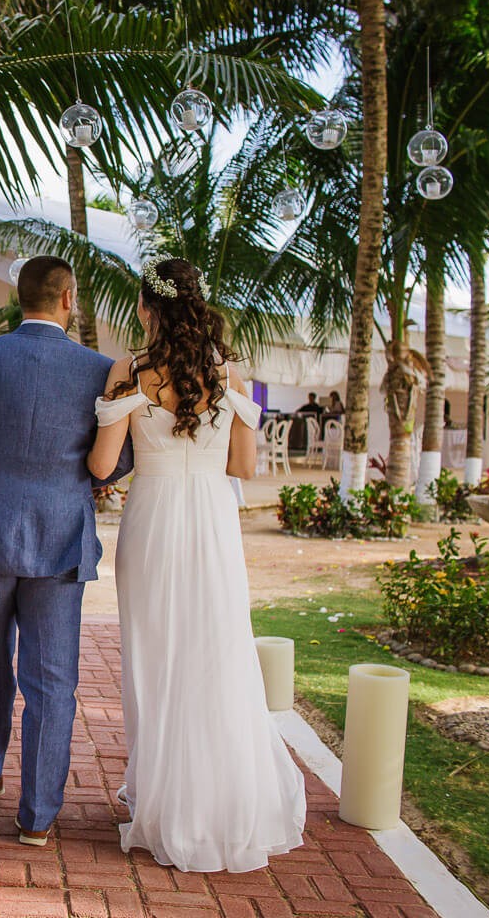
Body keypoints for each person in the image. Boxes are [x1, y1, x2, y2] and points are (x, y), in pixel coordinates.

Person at [87, 256, 304, 872]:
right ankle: (218, 801)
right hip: (211, 525)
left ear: (144, 308)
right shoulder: (229, 376)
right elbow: (244, 469)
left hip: (153, 521)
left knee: (155, 658)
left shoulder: (127, 371)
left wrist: (114, 407)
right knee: (217, 652)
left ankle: (160, 796)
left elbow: (102, 468)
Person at [0, 256, 130, 846]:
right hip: (61, 537)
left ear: (21, 299)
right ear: (68, 299)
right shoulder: (99, 371)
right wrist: (87, 481)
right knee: (53, 679)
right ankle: (37, 816)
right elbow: (120, 457)